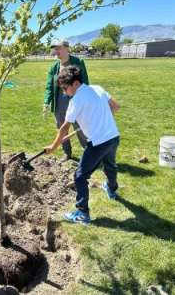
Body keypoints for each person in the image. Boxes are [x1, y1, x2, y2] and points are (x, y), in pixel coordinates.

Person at [44, 65, 120, 225]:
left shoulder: (76, 101)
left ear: (76, 84)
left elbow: (64, 128)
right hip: (113, 136)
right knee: (110, 165)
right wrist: (101, 117)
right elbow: (115, 106)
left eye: (66, 88)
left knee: (79, 176)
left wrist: (53, 147)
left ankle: (82, 213)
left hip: (98, 143)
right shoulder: (97, 88)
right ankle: (112, 190)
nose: (65, 92)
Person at [43, 39, 90, 161]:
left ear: (67, 48)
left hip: (76, 99)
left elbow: (85, 82)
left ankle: (89, 153)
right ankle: (66, 153)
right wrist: (46, 102)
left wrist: (86, 99)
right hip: (59, 101)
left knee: (79, 127)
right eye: (55, 48)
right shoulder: (54, 67)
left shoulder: (78, 62)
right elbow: (49, 86)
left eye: (59, 48)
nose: (56, 51)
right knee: (61, 127)